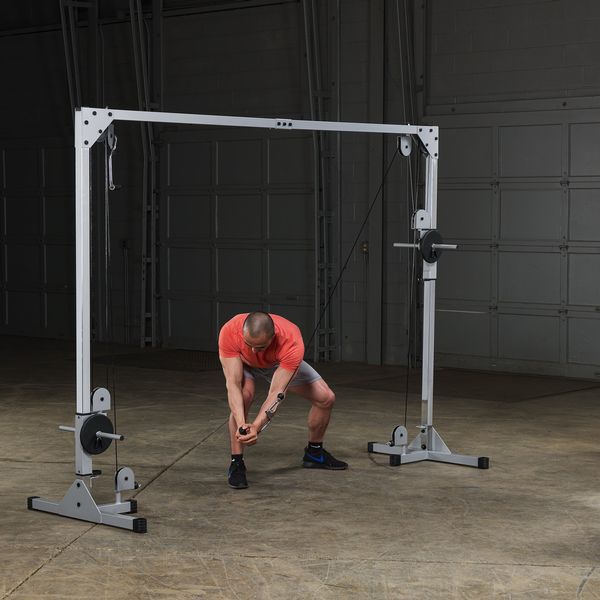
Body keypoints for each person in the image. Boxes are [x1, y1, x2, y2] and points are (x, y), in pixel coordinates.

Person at [218, 311, 348, 489]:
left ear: (273, 338)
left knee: (326, 398)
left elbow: (277, 392)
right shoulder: (230, 330)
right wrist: (243, 426)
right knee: (245, 396)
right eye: (249, 344)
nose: (254, 351)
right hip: (242, 362)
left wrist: (257, 426)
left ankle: (314, 453)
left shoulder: (291, 341)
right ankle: (237, 462)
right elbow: (233, 383)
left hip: (277, 364)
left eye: (260, 346)